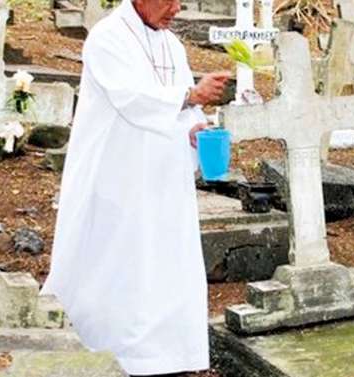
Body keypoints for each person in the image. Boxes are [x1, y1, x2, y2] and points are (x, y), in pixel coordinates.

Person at [40, 0, 230, 375]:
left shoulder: (171, 44)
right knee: (117, 261)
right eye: (171, 0)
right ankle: (106, 349)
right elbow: (131, 97)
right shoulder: (107, 37)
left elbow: (182, 107)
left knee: (163, 262)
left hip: (164, 175)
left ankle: (165, 356)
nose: (177, 8)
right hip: (116, 173)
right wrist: (190, 96)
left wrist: (196, 128)